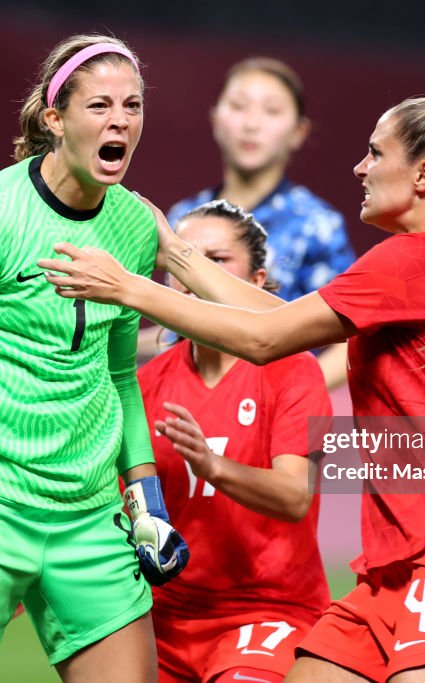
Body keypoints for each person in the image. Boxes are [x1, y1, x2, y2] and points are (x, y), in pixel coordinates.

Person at [40, 90, 425, 682]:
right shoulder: (424, 260)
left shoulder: (413, 261)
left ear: (424, 175)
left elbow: (265, 340)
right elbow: (281, 319)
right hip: (392, 564)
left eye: (376, 153)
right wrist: (174, 251)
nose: (361, 167)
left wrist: (131, 289)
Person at [0, 34, 188, 683]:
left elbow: (120, 375)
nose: (120, 121)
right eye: (99, 105)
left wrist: (148, 502)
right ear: (54, 118)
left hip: (90, 516)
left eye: (132, 106)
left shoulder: (136, 227)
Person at [139, 200, 332, 683]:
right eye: (180, 260)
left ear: (258, 282)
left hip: (267, 611)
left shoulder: (293, 371)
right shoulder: (145, 383)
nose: (192, 275)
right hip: (160, 619)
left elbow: (293, 497)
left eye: (216, 260)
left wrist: (213, 466)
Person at [146, 57, 356, 388]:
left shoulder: (317, 224)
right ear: (215, 119)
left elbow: (350, 331)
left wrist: (297, 395)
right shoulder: (180, 217)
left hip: (270, 406)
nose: (251, 124)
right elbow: (172, 330)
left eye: (271, 111)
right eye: (239, 107)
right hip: (186, 404)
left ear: (299, 132)